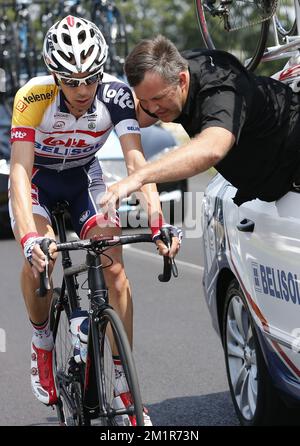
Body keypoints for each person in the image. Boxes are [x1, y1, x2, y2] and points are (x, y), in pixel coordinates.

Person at [9, 18, 181, 425]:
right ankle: (43, 342)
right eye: (71, 81)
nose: (83, 90)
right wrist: (30, 239)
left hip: (84, 179)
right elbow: (19, 171)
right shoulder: (33, 97)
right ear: (55, 75)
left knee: (116, 269)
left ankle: (124, 386)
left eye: (90, 78)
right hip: (39, 183)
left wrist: (157, 220)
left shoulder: (117, 97)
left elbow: (136, 161)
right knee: (43, 259)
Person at [100, 35, 300, 212]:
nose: (152, 109)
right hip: (270, 186)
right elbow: (137, 115)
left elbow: (212, 149)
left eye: (158, 99)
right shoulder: (169, 74)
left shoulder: (220, 87)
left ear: (182, 80)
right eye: (145, 101)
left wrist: (139, 176)